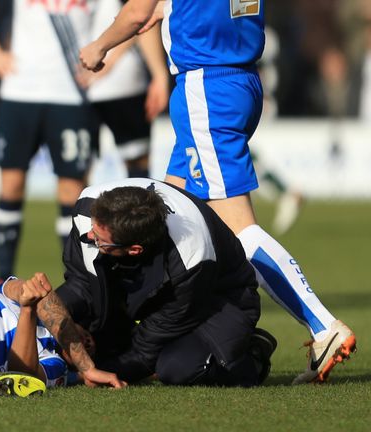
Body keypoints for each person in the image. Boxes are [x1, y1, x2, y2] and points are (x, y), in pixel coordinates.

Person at [78, 0, 356, 384]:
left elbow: (136, 12)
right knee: (166, 211)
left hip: (206, 86)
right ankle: (157, 341)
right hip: (239, 78)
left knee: (239, 231)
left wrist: (98, 47)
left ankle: (322, 326)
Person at [36, 178, 276, 387]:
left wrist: (86, 372)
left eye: (99, 240)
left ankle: (251, 354)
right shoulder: (89, 209)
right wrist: (59, 320)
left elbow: (145, 349)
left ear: (134, 250)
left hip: (218, 299)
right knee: (55, 314)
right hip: (139, 280)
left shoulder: (191, 258)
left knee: (178, 367)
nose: (89, 237)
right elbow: (82, 283)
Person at [0, 0, 99, 282]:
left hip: (71, 96)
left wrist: (106, 61)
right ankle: (2, 280)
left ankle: (76, 282)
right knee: (11, 186)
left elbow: (126, 19)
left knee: (71, 192)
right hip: (20, 92)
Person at [83, 0, 169, 179]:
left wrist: (159, 75)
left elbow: (143, 17)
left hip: (123, 83)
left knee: (137, 166)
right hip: (74, 87)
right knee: (77, 170)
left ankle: (139, 208)